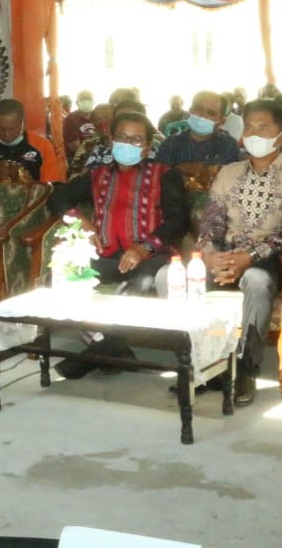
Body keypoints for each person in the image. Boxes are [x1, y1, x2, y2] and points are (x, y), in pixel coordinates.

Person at [168, 99, 282, 406]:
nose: (254, 134)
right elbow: (211, 220)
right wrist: (210, 255)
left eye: (265, 128)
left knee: (257, 282)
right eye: (249, 127)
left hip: (271, 259)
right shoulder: (229, 172)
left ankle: (246, 367)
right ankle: (203, 364)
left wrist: (249, 257)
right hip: (224, 253)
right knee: (180, 278)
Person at [47, 111, 188, 378]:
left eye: (136, 140)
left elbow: (177, 222)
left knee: (140, 281)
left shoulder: (164, 174)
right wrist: (81, 222)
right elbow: (58, 198)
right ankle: (114, 351)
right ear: (112, 140)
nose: (128, 143)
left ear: (147, 147)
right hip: (107, 253)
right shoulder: (98, 174)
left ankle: (95, 355)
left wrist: (144, 247)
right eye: (122, 137)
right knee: (68, 277)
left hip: (150, 255)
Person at [154, 91, 242, 188]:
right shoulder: (170, 144)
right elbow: (158, 180)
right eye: (198, 109)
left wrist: (182, 169)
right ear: (190, 110)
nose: (203, 115)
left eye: (210, 113)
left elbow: (231, 182)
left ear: (221, 121)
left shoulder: (228, 145)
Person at [0, 98, 65, 183]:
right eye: (1, 128)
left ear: (23, 124)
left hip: (34, 200)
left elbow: (50, 185)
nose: (7, 133)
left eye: (12, 129)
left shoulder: (42, 146)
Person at [62, 90, 96, 161]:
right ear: (77, 103)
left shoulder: (97, 116)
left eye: (89, 99)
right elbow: (75, 147)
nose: (86, 102)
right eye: (83, 99)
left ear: (93, 102)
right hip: (76, 158)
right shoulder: (70, 119)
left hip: (96, 155)